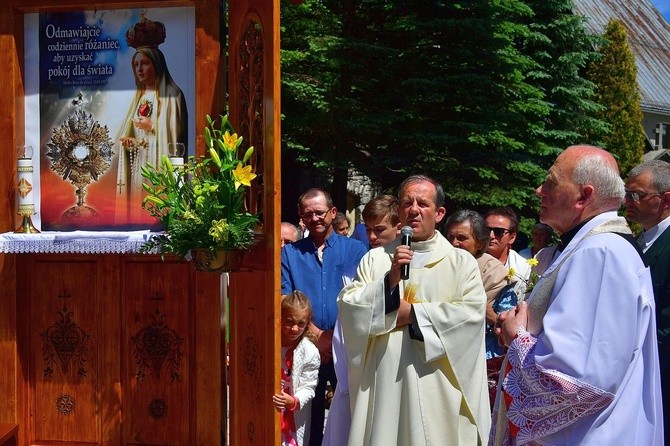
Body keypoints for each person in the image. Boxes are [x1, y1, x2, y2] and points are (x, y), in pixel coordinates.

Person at [490, 145, 664, 445]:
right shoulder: (590, 247)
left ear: (583, 196)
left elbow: (578, 380)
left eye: (551, 182)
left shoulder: (601, 253)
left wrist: (516, 335)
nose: (538, 190)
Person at [339, 175, 490, 445]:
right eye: (407, 202)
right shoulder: (376, 259)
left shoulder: (461, 263)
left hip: (436, 386)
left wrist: (413, 314)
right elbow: (350, 307)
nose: (414, 209)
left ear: (440, 213)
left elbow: (470, 317)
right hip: (385, 382)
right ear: (398, 211)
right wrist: (389, 282)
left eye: (423, 203)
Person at [281, 188, 368, 445]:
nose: (315, 218)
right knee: (308, 415)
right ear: (300, 217)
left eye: (320, 212)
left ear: (332, 213)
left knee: (350, 412)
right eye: (308, 214)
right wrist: (318, 336)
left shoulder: (355, 250)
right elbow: (284, 299)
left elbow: (362, 296)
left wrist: (334, 338)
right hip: (306, 347)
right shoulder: (290, 253)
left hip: (346, 345)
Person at [322, 194, 401, 446]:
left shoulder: (414, 256)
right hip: (368, 359)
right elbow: (351, 307)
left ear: (399, 227)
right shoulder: (370, 259)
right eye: (368, 230)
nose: (372, 237)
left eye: (379, 230)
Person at [116, 13, 188, 224]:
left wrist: (153, 127)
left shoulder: (172, 95)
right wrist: (129, 142)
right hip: (141, 164)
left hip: (159, 166)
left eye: (144, 63)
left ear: (156, 64)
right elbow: (131, 133)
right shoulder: (139, 98)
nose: (139, 69)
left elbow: (176, 134)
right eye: (136, 65)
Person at [624, 159, 670, 446]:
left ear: (666, 199)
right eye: (627, 193)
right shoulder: (641, 240)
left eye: (637, 195)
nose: (628, 201)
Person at [273, 291, 321, 446]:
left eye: (301, 323)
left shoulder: (310, 351)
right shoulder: (270, 342)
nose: (294, 329)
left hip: (293, 414)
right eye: (289, 322)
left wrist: (294, 400)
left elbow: (309, 386)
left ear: (308, 323)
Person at [485, 206, 531, 296]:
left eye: (499, 231)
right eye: (486, 230)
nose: (491, 235)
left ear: (512, 238)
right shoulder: (470, 260)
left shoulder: (523, 268)